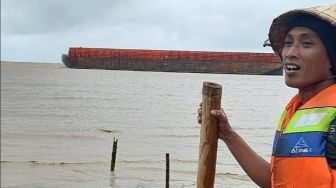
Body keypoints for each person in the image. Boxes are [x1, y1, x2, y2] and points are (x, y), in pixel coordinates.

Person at [197, 4, 336, 188]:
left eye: (306, 43)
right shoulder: (296, 110)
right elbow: (275, 182)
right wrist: (227, 134)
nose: (290, 53)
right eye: (288, 43)